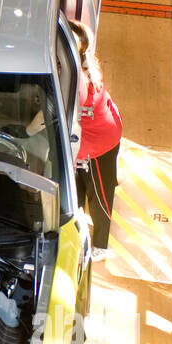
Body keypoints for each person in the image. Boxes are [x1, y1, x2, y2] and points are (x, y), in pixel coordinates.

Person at [69, 21, 123, 258]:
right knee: (80, 188)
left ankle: (101, 246)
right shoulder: (86, 61)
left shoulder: (77, 80)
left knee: (100, 195)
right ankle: (78, 231)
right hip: (102, 132)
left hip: (98, 145)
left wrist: (27, 132)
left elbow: (46, 117)